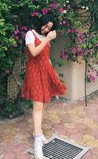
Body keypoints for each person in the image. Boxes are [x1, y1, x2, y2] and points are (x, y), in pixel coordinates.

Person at [22, 14, 67, 159]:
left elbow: (46, 58)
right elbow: (34, 52)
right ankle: (37, 144)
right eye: (45, 25)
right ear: (40, 22)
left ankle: (38, 133)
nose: (46, 29)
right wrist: (47, 39)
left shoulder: (46, 39)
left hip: (45, 73)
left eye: (49, 28)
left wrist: (52, 75)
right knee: (37, 105)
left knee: (43, 105)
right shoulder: (31, 34)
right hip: (34, 73)